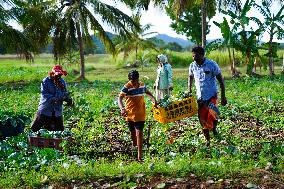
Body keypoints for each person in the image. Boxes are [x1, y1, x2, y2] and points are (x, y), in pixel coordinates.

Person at [188, 46, 227, 147]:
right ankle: (207, 140)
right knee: (202, 119)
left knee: (212, 116)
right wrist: (189, 89)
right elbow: (190, 77)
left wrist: (223, 97)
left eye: (195, 56)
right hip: (200, 97)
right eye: (193, 56)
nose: (194, 58)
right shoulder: (192, 66)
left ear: (202, 55)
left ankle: (214, 129)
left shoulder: (212, 64)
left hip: (211, 96)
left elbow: (221, 81)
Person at [118, 70, 157, 161]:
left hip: (140, 114)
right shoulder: (127, 87)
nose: (134, 83)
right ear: (129, 80)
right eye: (132, 81)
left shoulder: (142, 85)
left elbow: (148, 92)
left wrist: (153, 99)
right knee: (133, 134)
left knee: (139, 133)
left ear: (138, 79)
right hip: (130, 114)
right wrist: (122, 109)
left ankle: (140, 156)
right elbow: (120, 98)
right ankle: (135, 147)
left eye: (136, 81)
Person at [31, 65, 73, 132]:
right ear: (52, 73)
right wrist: (55, 99)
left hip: (57, 111)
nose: (58, 77)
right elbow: (45, 94)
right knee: (35, 129)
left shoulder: (62, 82)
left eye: (60, 75)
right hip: (46, 109)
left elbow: (64, 92)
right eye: (57, 75)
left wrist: (68, 99)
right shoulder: (46, 81)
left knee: (59, 131)